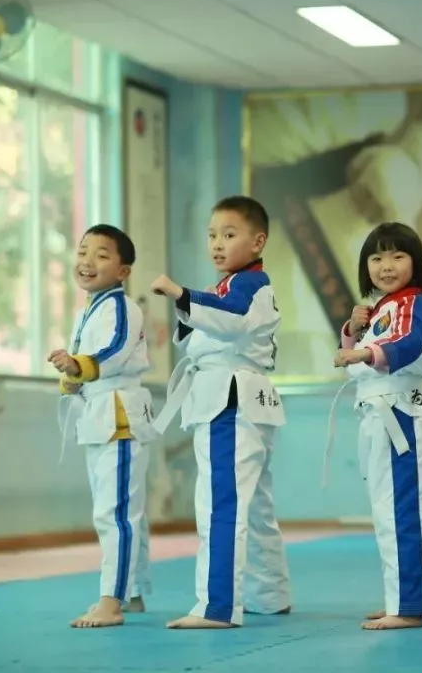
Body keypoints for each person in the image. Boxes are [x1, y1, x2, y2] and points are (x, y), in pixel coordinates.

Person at [150, 196, 292, 629]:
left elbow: (227, 323)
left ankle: (216, 606)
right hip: (241, 398)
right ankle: (268, 594)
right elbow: (196, 333)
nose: (217, 243)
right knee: (256, 506)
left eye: (229, 235)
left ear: (258, 241)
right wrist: (191, 302)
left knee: (221, 503)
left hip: (231, 399)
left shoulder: (249, 285)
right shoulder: (229, 287)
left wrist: (180, 293)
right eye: (212, 235)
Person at [330, 222, 422, 631]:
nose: (386, 266)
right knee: (387, 511)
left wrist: (363, 351)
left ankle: (409, 605)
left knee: (402, 511)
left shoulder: (415, 304)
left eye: (397, 256)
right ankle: (402, 597)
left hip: (400, 416)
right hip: (378, 413)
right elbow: (358, 362)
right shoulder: (381, 310)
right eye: (376, 257)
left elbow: (409, 344)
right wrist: (352, 333)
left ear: (416, 262)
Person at [49, 224, 156, 629]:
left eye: (101, 254)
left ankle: (111, 600)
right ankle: (133, 592)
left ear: (124, 270)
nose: (87, 261)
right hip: (97, 413)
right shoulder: (87, 310)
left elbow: (111, 352)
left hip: (119, 415)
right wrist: (71, 374)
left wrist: (79, 366)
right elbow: (82, 364)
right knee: (122, 511)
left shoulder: (123, 306)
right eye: (82, 252)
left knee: (116, 513)